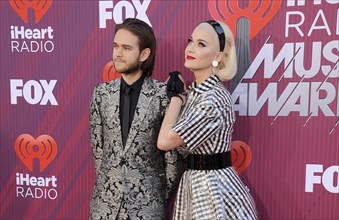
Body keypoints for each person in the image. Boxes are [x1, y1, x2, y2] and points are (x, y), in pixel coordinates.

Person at [157, 20, 258, 219]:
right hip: (195, 184)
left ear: (218, 56)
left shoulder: (214, 99)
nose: (191, 48)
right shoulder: (196, 94)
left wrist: (176, 97)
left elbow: (165, 141)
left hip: (213, 190)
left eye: (201, 44)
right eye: (191, 41)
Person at [89, 18, 181, 220]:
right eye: (115, 46)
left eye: (126, 48)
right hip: (104, 207)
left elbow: (173, 158)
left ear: (144, 54)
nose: (118, 53)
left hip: (148, 207)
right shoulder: (101, 94)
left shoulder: (162, 96)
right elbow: (98, 149)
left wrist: (155, 195)